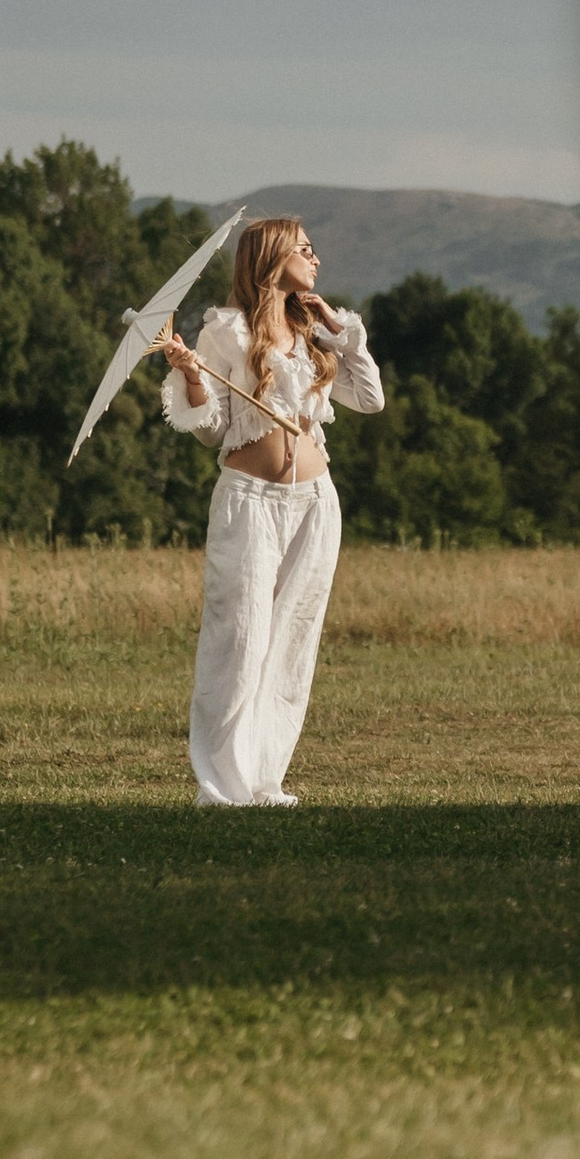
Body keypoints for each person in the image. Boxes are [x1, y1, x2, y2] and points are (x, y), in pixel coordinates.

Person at [160, 216, 384, 806]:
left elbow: (369, 398)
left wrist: (342, 333)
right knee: (239, 636)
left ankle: (265, 780)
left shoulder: (312, 332)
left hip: (314, 504)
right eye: (305, 250)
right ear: (272, 257)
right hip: (249, 502)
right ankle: (220, 784)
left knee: (292, 639)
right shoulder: (226, 333)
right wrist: (191, 377)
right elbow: (211, 434)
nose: (316, 260)